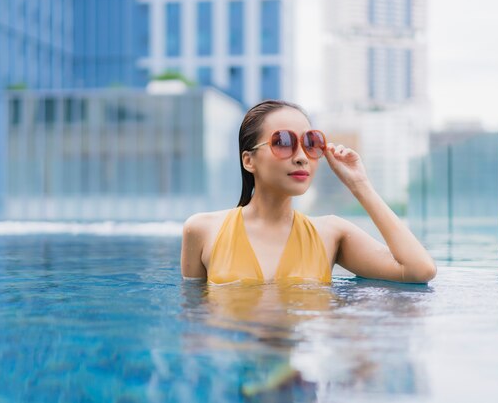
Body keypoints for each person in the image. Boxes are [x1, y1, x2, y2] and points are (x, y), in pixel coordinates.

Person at [181, 100, 436, 284]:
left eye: (311, 143)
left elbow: (418, 271)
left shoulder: (331, 233)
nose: (302, 157)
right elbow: (194, 322)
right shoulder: (202, 230)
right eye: (283, 142)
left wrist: (360, 185)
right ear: (249, 161)